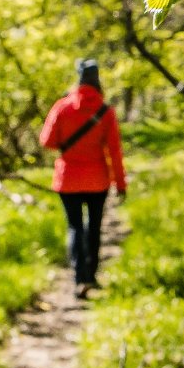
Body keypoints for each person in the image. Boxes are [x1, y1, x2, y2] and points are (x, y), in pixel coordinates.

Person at [39, 59, 126, 299]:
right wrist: (120, 183)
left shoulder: (62, 107)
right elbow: (115, 151)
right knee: (94, 227)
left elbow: (47, 141)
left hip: (68, 180)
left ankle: (79, 278)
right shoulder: (106, 112)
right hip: (98, 181)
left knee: (75, 227)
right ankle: (91, 276)